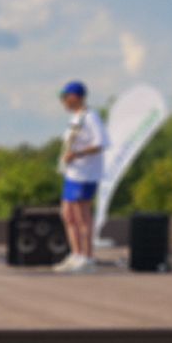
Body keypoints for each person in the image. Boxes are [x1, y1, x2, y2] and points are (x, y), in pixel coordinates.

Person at [55, 80, 109, 274]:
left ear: (75, 97)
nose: (63, 102)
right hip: (72, 172)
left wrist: (77, 155)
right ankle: (76, 254)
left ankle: (88, 257)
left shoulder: (90, 117)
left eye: (65, 98)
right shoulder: (75, 118)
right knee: (68, 214)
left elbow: (101, 143)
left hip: (85, 173)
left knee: (82, 216)